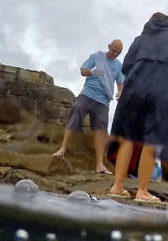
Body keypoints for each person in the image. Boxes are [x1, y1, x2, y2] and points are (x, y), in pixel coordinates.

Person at [107, 12, 168, 202]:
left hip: (133, 92)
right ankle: (142, 191)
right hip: (162, 94)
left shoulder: (139, 41)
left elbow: (126, 67)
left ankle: (117, 186)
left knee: (128, 138)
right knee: (152, 141)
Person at [52, 40, 125, 174]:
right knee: (75, 116)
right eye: (113, 50)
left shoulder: (119, 66)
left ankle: (99, 164)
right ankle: (62, 149)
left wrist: (120, 92)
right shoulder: (97, 56)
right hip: (87, 94)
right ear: (109, 46)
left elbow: (121, 82)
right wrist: (93, 72)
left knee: (101, 131)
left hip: (103, 100)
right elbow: (83, 71)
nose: (114, 54)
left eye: (118, 52)